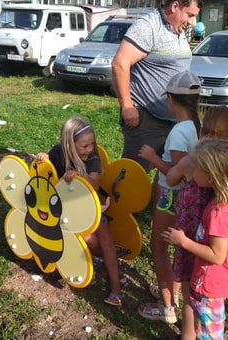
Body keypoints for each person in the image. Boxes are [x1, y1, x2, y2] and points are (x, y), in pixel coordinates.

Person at [162, 138, 228, 339]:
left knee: (208, 333)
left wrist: (182, 241)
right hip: (225, 277)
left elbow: (217, 255)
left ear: (211, 178)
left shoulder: (217, 213)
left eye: (195, 168)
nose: (192, 171)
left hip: (209, 282)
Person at [136, 71, 202, 324]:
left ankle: (167, 307)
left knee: (159, 247)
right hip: (187, 200)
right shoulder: (198, 126)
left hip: (170, 197)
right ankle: (173, 291)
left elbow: (177, 175)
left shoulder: (178, 132)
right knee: (174, 247)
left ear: (172, 101)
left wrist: (153, 159)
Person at [36, 116, 123, 306]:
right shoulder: (58, 152)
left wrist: (79, 176)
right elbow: (47, 171)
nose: (90, 149)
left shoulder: (92, 157)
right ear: (68, 144)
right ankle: (105, 258)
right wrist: (44, 159)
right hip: (66, 211)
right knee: (88, 240)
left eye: (92, 144)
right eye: (84, 146)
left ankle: (116, 290)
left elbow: (94, 183)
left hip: (90, 206)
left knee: (105, 241)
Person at [111, 0, 201, 172]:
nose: (191, 22)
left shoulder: (178, 30)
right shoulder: (148, 26)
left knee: (166, 170)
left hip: (174, 119)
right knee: (132, 174)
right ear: (175, 6)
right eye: (189, 15)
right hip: (147, 118)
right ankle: (113, 199)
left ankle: (157, 200)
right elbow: (119, 63)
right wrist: (127, 106)